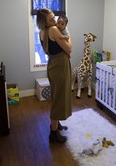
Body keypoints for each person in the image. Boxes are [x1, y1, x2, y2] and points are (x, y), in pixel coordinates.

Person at [36, 8, 72, 143]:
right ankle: (53, 133)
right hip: (60, 65)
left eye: (54, 17)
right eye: (51, 19)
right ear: (44, 21)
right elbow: (69, 48)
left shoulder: (42, 32)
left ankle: (56, 123)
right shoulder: (54, 30)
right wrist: (70, 34)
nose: (55, 20)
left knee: (56, 95)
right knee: (59, 98)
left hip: (52, 65)